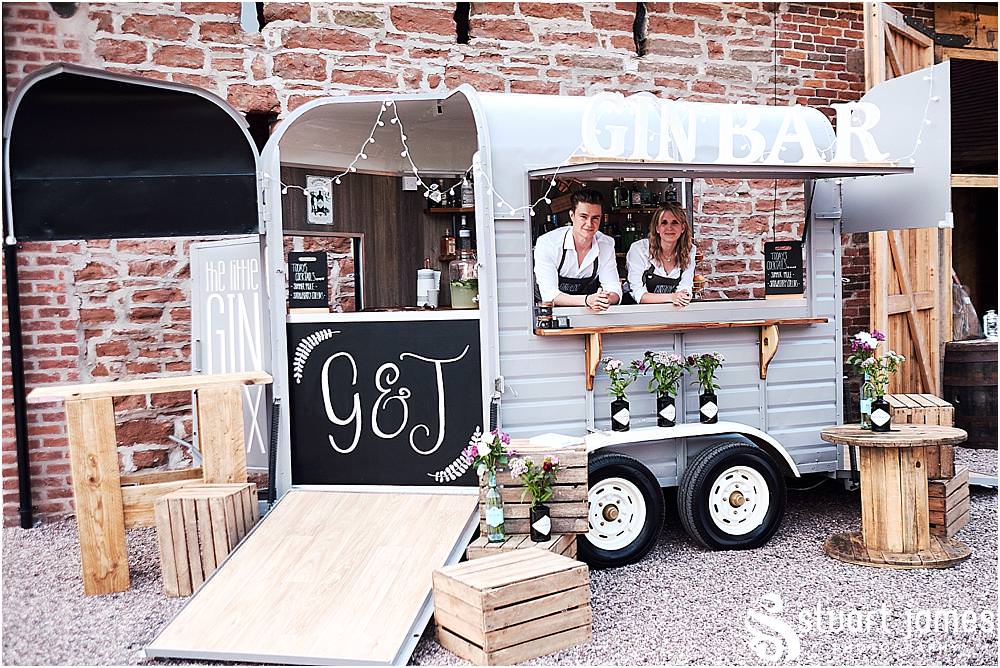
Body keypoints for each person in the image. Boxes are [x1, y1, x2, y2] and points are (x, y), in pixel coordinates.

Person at [533, 189, 621, 312]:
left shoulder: (606, 244)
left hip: (588, 313)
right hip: (547, 314)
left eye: (595, 218)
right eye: (583, 217)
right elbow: (549, 295)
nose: (589, 223)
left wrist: (605, 299)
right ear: (572, 216)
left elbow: (614, 288)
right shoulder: (549, 243)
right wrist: (587, 300)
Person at [626, 202, 696, 307]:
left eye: (675, 222)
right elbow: (638, 294)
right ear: (657, 228)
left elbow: (685, 287)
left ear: (683, 228)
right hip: (635, 311)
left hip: (671, 311)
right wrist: (672, 297)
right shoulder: (640, 249)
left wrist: (683, 296)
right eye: (664, 223)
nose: (669, 228)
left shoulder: (689, 250)